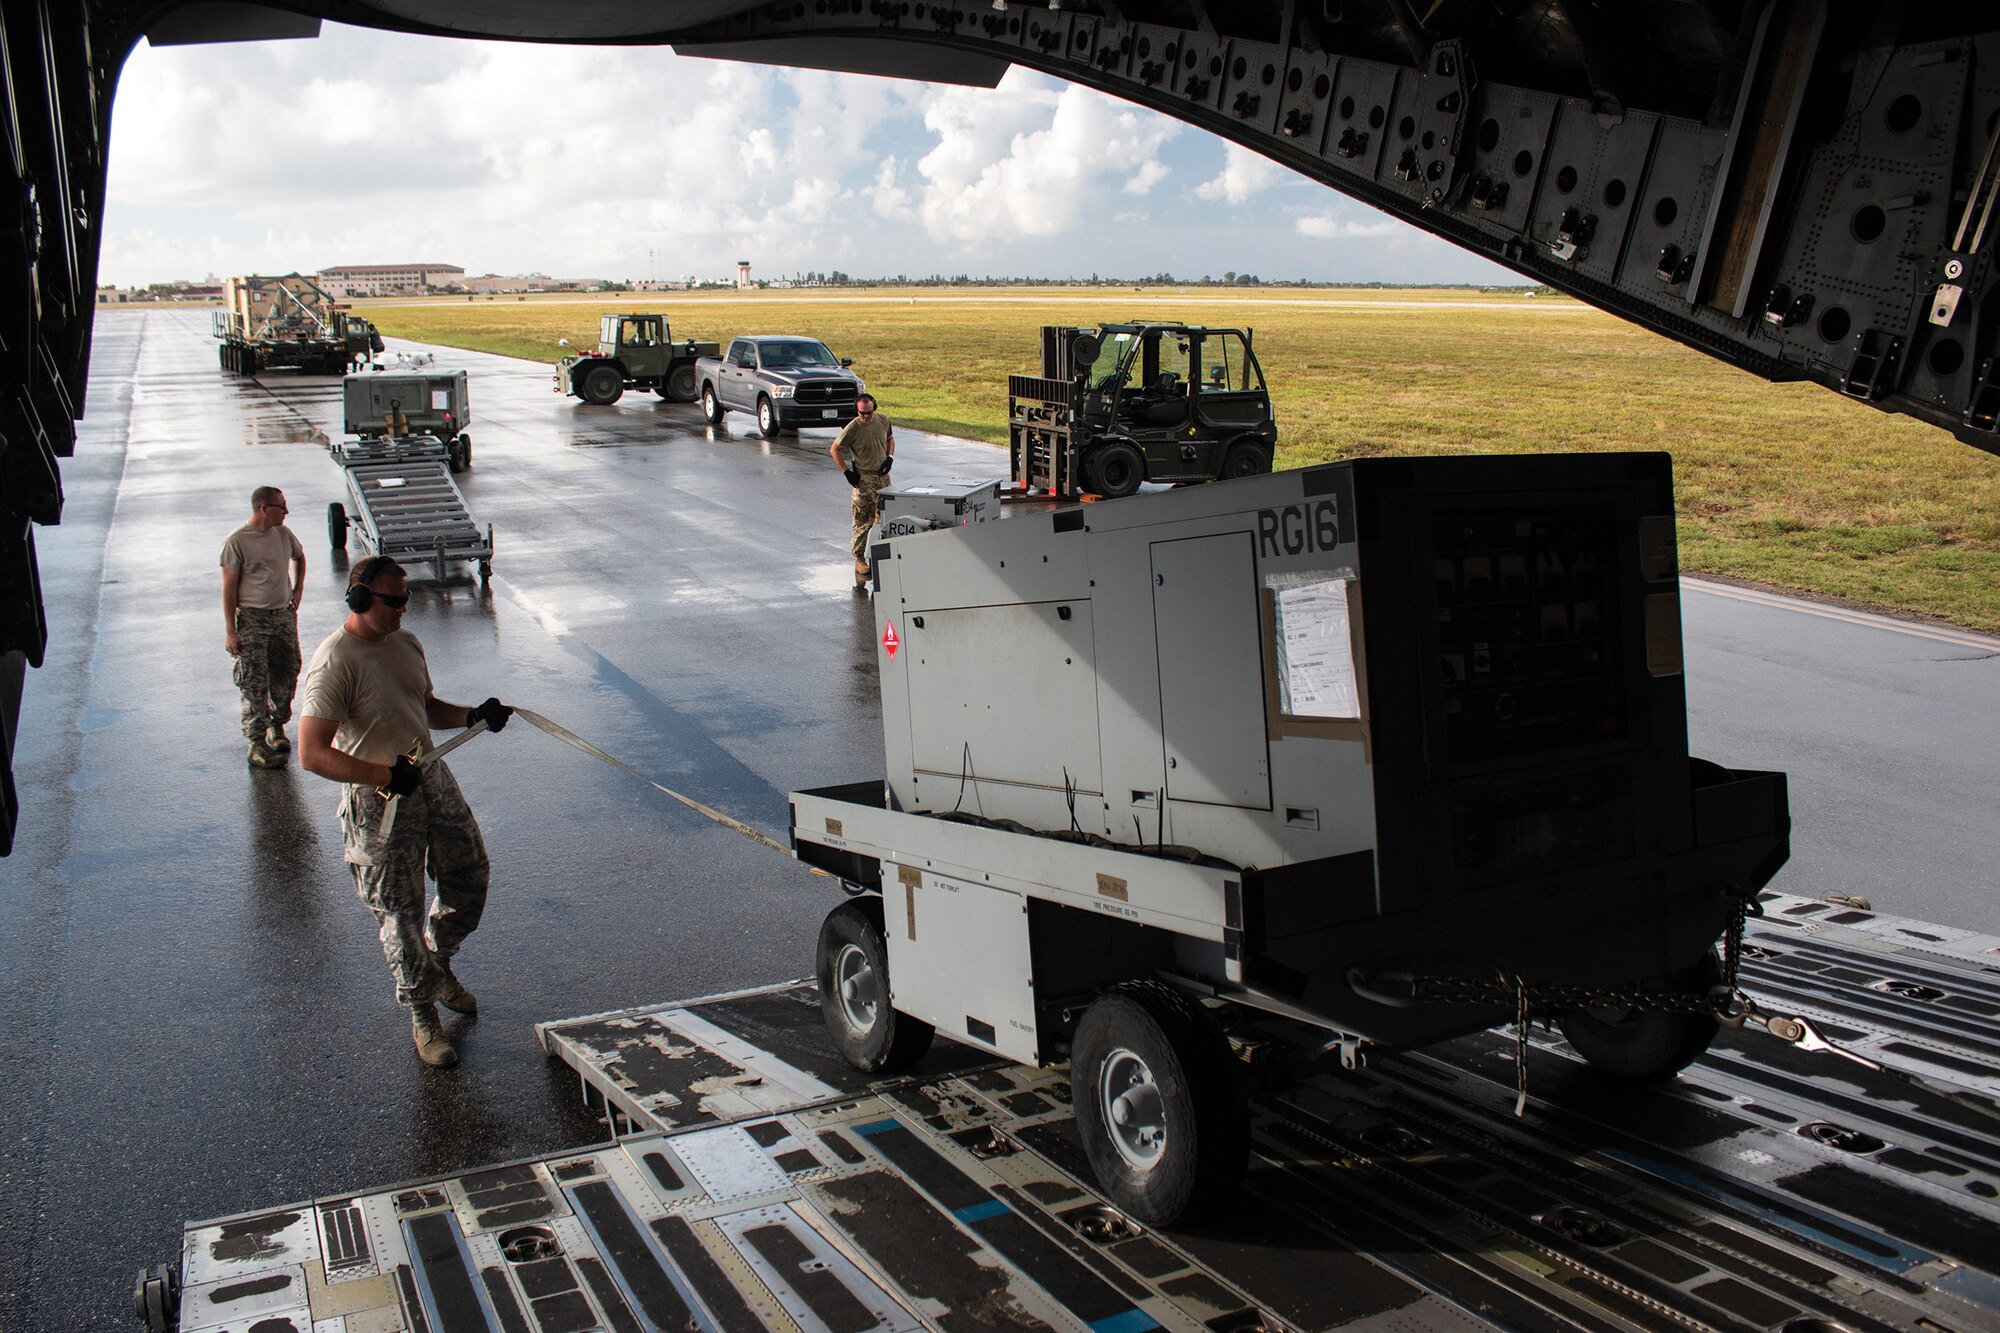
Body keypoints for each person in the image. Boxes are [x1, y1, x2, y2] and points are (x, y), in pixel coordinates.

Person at [298, 556, 513, 1068]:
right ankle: (422, 1015)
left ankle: (438, 963)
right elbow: (311, 752)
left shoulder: (406, 643)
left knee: (469, 874)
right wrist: (382, 775)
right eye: (393, 601)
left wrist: (473, 716)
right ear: (359, 598)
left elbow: (424, 707)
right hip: (379, 800)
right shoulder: (336, 662)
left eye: (406, 600)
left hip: (428, 778)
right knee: (400, 912)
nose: (403, 610)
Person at [220, 486, 305, 768]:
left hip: (282, 615)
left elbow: (299, 557)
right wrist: (231, 631)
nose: (286, 511)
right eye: (281, 506)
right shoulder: (237, 541)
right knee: (254, 680)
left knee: (287, 669)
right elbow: (229, 588)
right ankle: (256, 743)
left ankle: (277, 727)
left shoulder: (283, 534)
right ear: (263, 509)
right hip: (253, 619)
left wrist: (298, 589)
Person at [830, 392, 895, 585]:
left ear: (874, 408)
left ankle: (879, 555)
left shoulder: (883, 420)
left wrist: (890, 458)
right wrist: (847, 472)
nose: (865, 416)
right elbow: (834, 449)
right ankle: (859, 559)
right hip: (864, 481)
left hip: (882, 478)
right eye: (862, 413)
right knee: (863, 521)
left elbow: (890, 438)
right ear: (856, 411)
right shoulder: (853, 428)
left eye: (868, 412)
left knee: (883, 519)